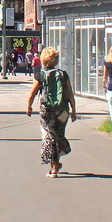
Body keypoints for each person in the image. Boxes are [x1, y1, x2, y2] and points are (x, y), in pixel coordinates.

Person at [25, 46, 77, 177]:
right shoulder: (63, 75)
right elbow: (70, 94)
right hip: (62, 111)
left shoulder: (41, 75)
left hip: (46, 111)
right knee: (58, 135)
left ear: (43, 60)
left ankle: (54, 168)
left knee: (49, 137)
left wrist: (29, 107)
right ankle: (56, 163)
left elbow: (32, 94)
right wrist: (74, 110)